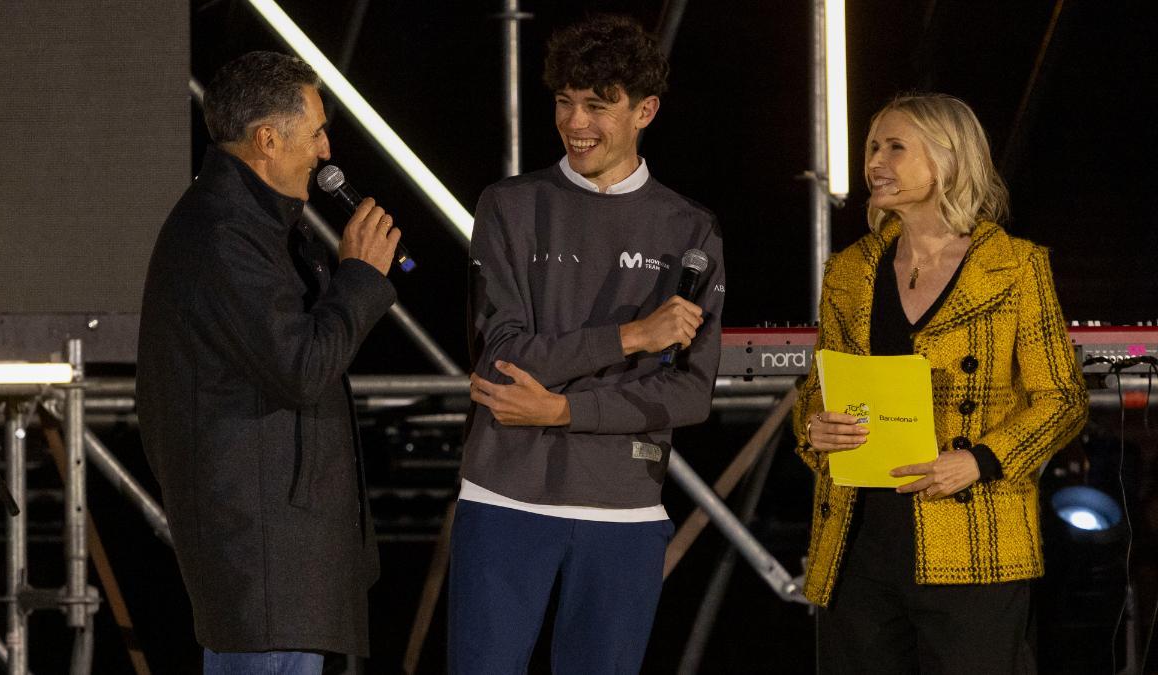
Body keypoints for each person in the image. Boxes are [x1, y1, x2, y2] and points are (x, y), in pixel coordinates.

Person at [450, 14, 726, 675]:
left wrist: (564, 410)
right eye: (565, 101)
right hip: (505, 498)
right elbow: (503, 358)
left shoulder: (690, 227)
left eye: (598, 105)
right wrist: (633, 336)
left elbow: (690, 393)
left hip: (625, 508)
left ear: (645, 111)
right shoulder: (509, 205)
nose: (576, 122)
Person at [793, 93, 1089, 673]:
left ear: (948, 159)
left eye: (895, 147)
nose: (875, 162)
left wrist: (981, 460)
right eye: (872, 147)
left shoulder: (1015, 267)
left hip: (974, 538)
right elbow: (817, 391)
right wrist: (815, 428)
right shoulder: (848, 271)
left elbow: (1063, 400)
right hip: (858, 540)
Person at [137, 51, 400, 675]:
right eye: (316, 133)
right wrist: (359, 277)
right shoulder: (224, 233)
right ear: (267, 140)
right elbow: (301, 367)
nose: (326, 152)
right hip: (261, 546)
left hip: (277, 545)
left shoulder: (251, 224)